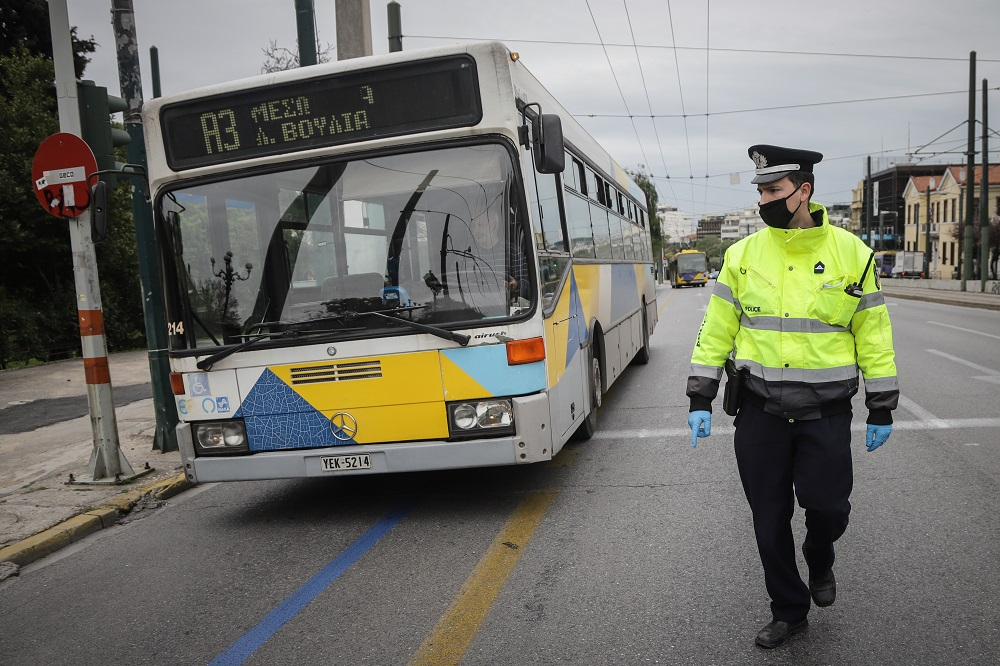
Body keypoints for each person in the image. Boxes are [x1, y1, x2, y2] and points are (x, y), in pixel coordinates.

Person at [686, 145, 899, 649]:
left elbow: (873, 333)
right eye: (760, 190)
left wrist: (881, 404)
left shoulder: (852, 253)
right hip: (759, 412)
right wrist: (700, 396)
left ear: (803, 191)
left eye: (773, 189)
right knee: (768, 520)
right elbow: (715, 331)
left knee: (827, 509)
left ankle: (820, 555)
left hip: (823, 413)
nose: (764, 199)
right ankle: (788, 609)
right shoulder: (741, 256)